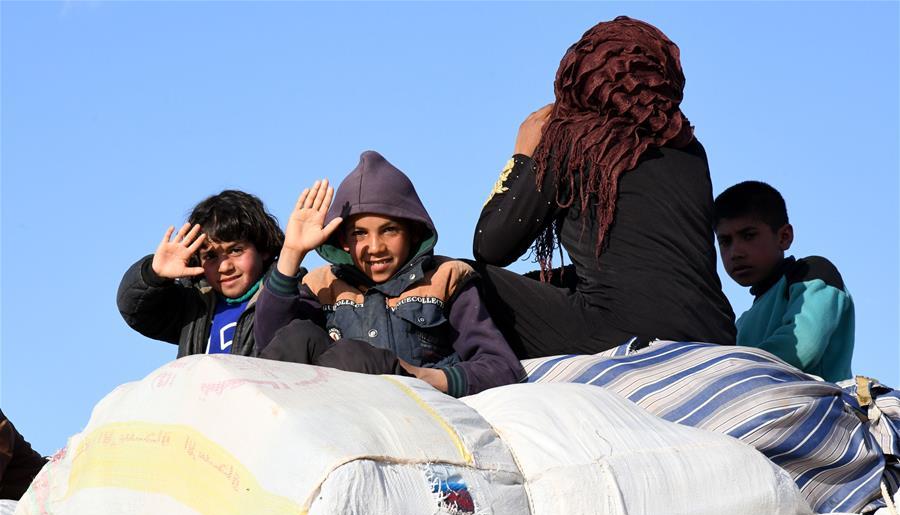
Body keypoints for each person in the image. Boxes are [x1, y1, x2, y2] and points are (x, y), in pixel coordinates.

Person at [472, 16, 735, 358]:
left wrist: (523, 156)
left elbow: (490, 246)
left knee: (462, 278)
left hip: (623, 329)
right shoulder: (689, 148)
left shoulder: (575, 139)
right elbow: (643, 264)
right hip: (716, 330)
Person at [254, 151, 523, 398]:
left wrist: (422, 377)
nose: (375, 248)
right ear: (343, 241)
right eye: (359, 234)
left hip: (415, 409)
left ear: (413, 232)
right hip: (340, 412)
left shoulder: (446, 279)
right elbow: (271, 348)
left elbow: (502, 368)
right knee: (299, 335)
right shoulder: (322, 285)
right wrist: (291, 253)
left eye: (389, 230)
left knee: (353, 356)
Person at [714, 180, 854, 381]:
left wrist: (726, 372)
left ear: (784, 237)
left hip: (815, 408)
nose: (735, 252)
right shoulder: (742, 323)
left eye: (748, 235)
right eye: (725, 241)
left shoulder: (812, 273)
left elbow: (803, 347)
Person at [117, 190, 285, 357]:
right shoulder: (195, 306)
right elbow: (136, 311)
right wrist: (153, 275)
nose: (224, 266)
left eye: (235, 250)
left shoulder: (289, 298)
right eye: (210, 256)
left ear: (263, 249)